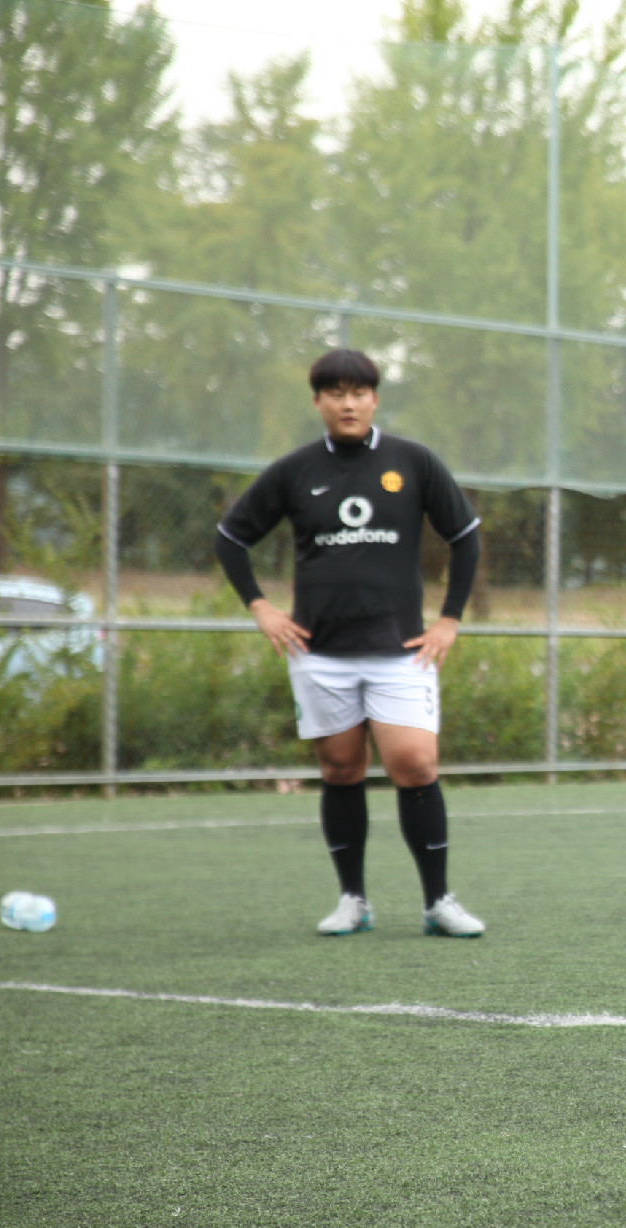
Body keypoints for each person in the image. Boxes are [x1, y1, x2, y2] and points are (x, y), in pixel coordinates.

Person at [214, 349, 486, 938]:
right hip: (322, 654)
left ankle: (438, 902)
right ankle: (353, 900)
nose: (348, 403)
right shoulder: (295, 470)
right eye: (335, 393)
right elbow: (231, 538)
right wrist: (261, 607)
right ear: (317, 401)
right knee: (340, 770)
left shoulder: (413, 462)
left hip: (402, 650)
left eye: (359, 392)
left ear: (375, 399)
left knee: (415, 764)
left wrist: (450, 619)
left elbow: (465, 536)